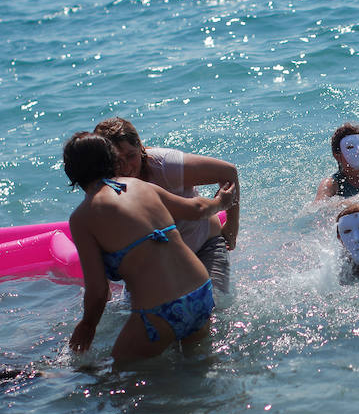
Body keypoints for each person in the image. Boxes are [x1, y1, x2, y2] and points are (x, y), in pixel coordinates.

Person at [63, 132, 234, 362]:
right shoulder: (138, 186)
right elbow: (196, 209)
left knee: (115, 378)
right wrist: (221, 202)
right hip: (200, 292)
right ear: (112, 161)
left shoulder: (82, 218)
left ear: (71, 172)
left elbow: (98, 291)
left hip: (160, 311)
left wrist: (87, 326)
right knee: (199, 366)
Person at [93, 117, 239, 293]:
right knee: (134, 316)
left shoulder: (164, 165)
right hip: (157, 265)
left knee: (212, 309)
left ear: (140, 147)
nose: (125, 167)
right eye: (116, 160)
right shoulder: (106, 185)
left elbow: (228, 172)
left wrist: (232, 226)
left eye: (131, 156)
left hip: (203, 248)